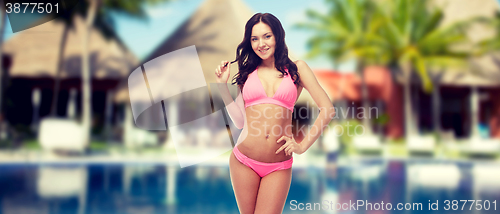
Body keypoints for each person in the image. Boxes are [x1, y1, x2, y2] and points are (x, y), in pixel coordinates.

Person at [214, 13, 335, 214]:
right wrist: (222, 86)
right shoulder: (248, 72)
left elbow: (328, 109)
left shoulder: (297, 69)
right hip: (244, 160)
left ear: (278, 36)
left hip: (278, 165)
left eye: (266, 36)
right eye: (254, 39)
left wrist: (302, 146)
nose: (261, 43)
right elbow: (240, 121)